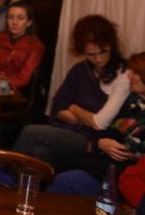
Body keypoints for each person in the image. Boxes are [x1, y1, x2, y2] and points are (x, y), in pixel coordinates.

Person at [13, 15, 129, 165]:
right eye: (91, 55)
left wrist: (74, 108)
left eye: (103, 52)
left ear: (112, 46)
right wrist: (85, 118)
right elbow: (58, 107)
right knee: (40, 152)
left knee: (30, 132)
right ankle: (17, 185)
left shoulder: (124, 74)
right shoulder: (80, 70)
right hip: (72, 131)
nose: (98, 59)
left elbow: (99, 124)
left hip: (95, 139)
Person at [47, 52, 145, 195]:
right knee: (51, 157)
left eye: (135, 73)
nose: (129, 76)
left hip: (123, 174)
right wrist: (101, 142)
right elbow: (109, 131)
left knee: (65, 175)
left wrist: (107, 145)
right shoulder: (133, 102)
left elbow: (131, 155)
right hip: (105, 158)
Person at [0, 2, 45, 90]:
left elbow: (23, 79)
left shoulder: (35, 45)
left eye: (20, 18)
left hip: (8, 89)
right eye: (10, 17)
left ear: (29, 22)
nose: (14, 22)